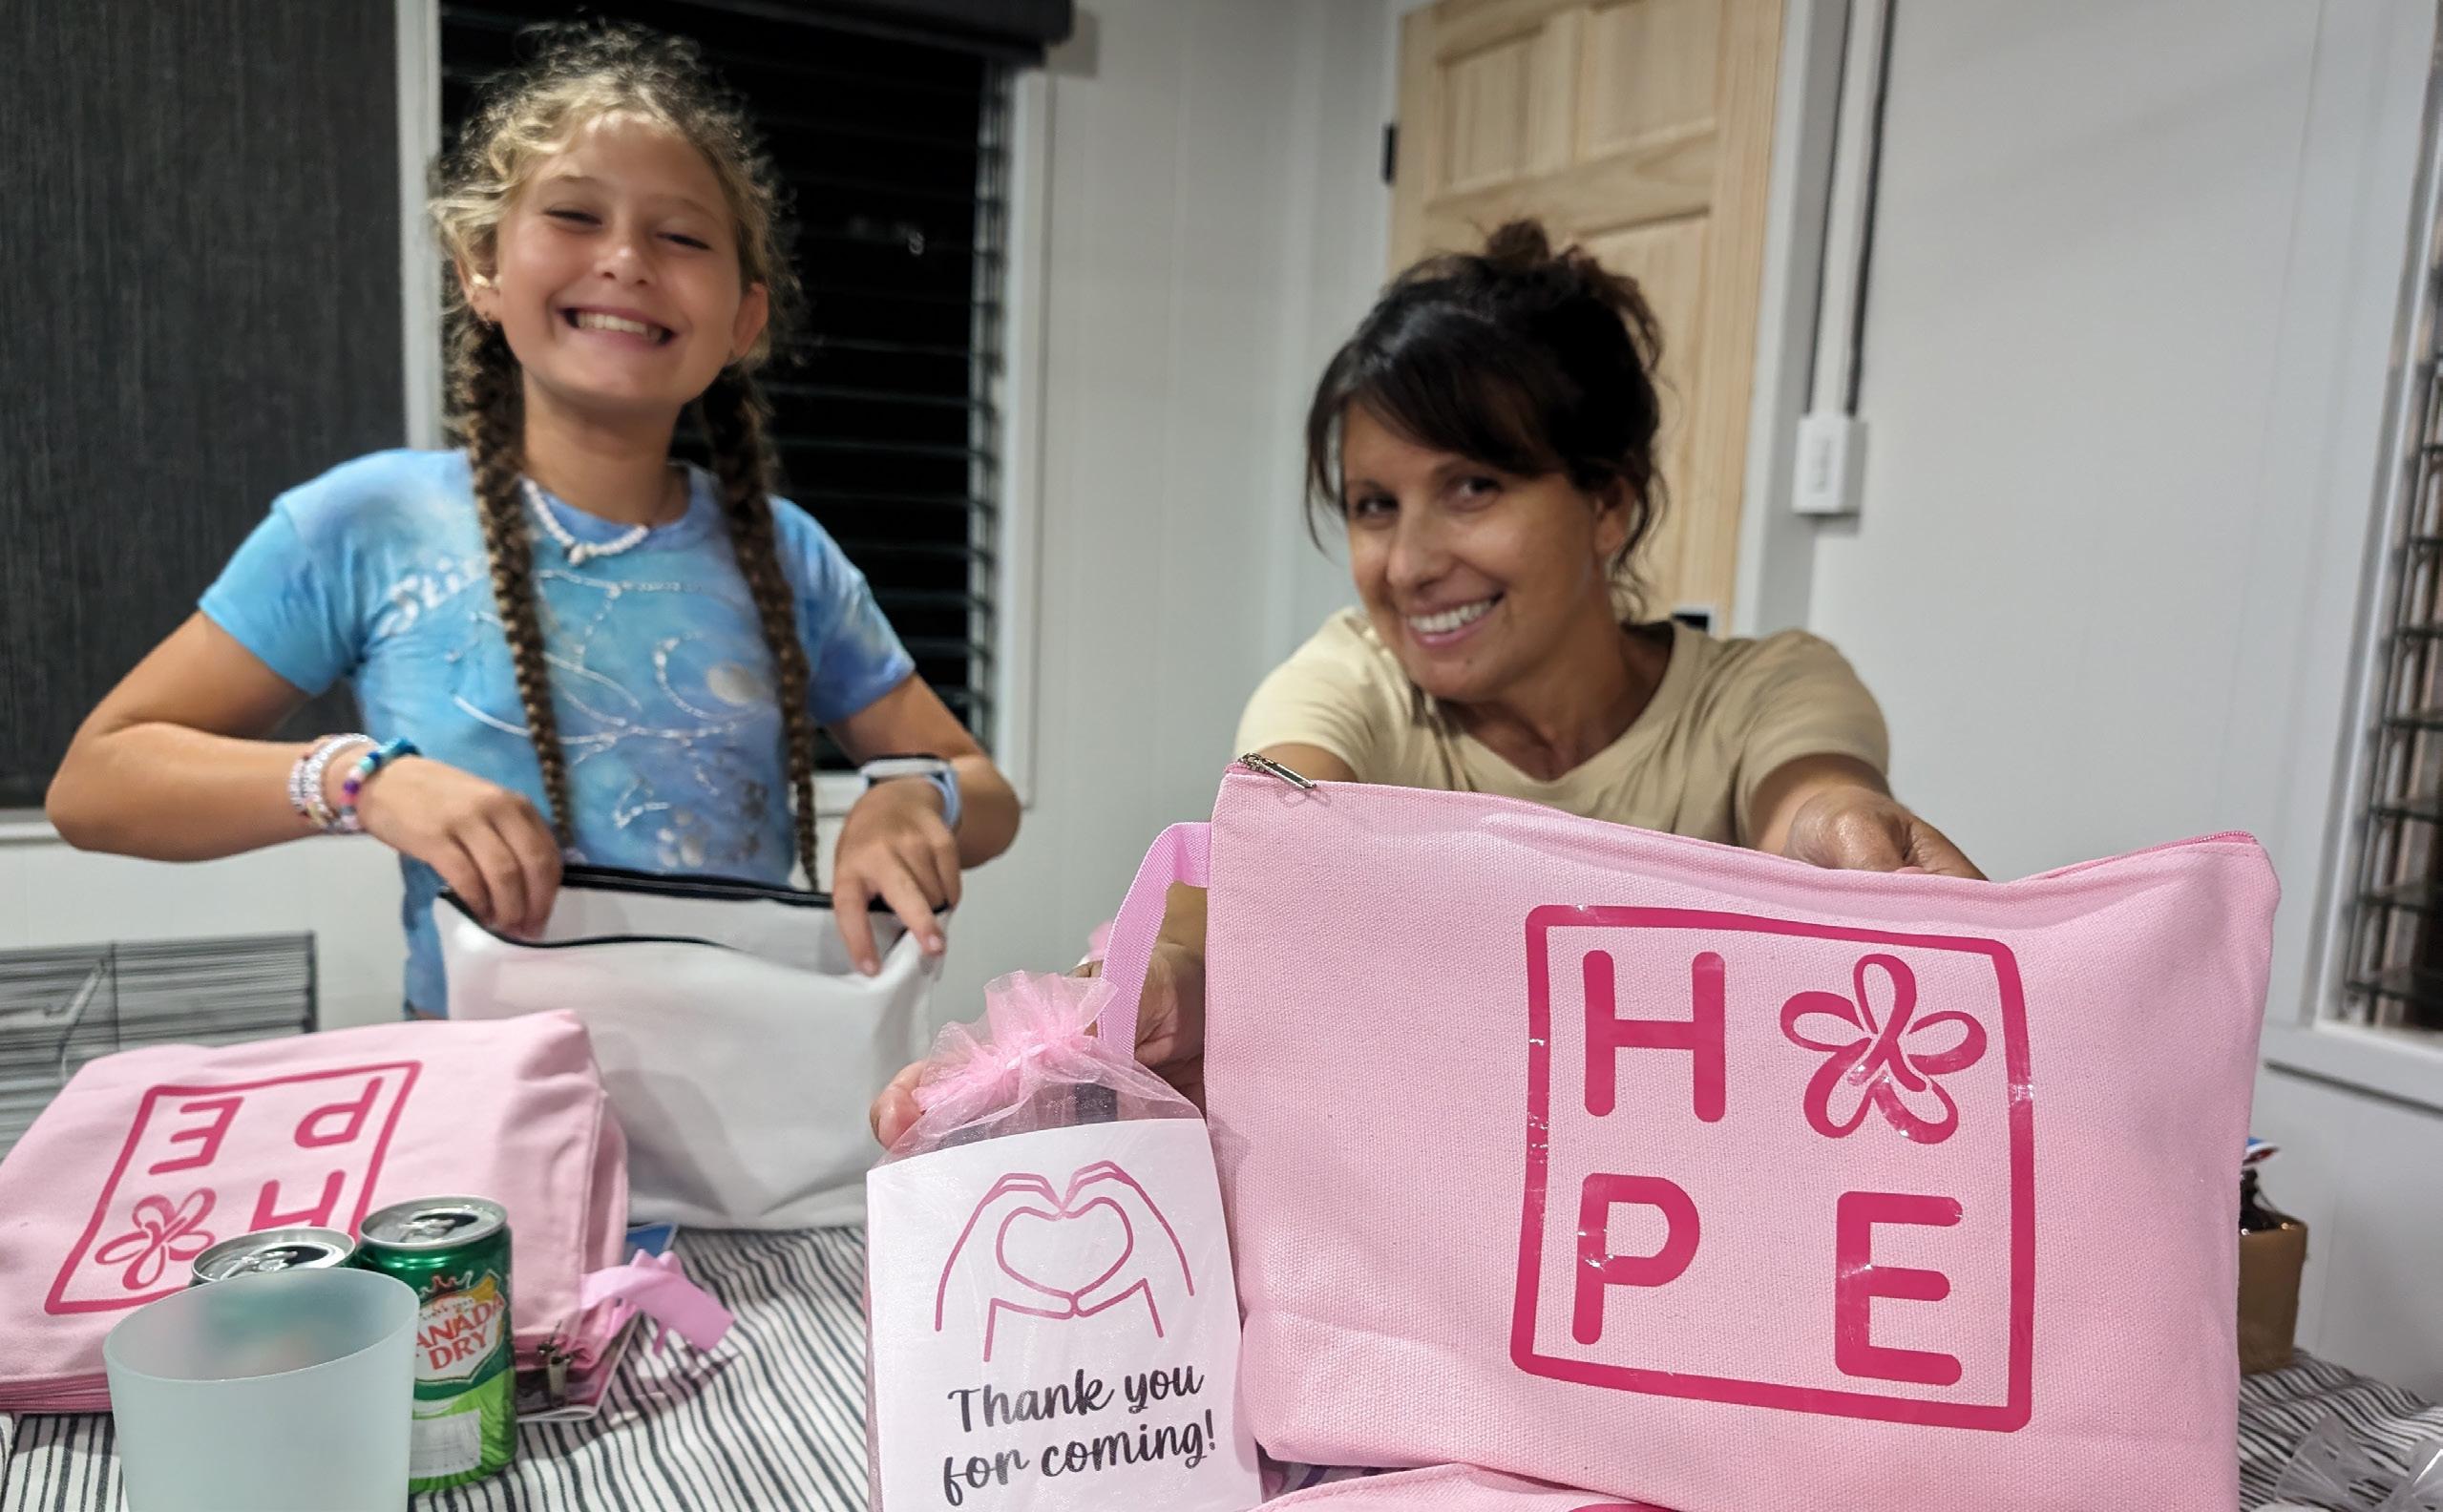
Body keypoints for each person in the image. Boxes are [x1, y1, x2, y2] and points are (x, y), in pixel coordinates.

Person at [872, 220, 1970, 1144]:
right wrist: (1157, 982)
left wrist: (1847, 840)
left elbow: (1809, 799)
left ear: (1608, 504)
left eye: (1473, 487)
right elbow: (1254, 867)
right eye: (1374, 505)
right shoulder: (1353, 683)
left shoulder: (1767, 690)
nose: (1408, 564)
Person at [48, 24, 1017, 1017]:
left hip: (745, 1077)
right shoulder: (366, 524)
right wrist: (362, 782)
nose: (627, 260)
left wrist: (913, 795)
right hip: (478, 1092)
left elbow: (984, 790)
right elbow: (97, 784)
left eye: (683, 237)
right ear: (482, 268)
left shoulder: (788, 555)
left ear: (742, 320)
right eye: (574, 215)